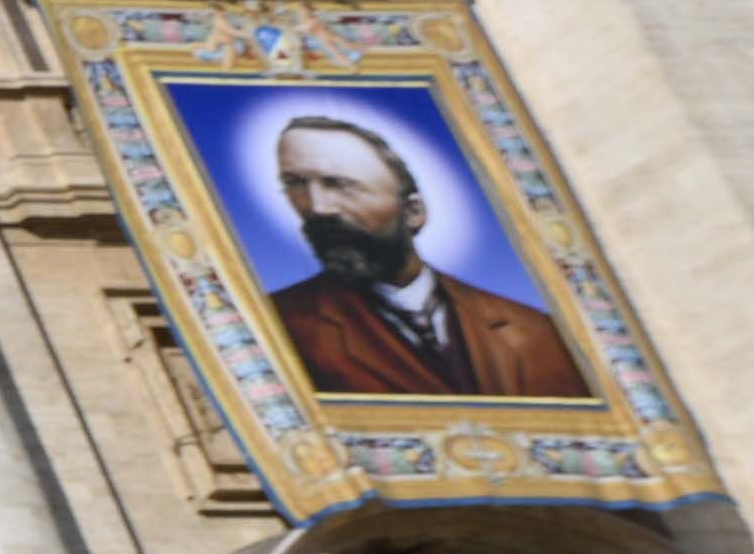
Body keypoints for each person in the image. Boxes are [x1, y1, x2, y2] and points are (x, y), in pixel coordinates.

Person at [251, 113, 587, 397]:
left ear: (413, 212)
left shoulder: (537, 333)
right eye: (295, 184)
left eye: (339, 184)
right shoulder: (274, 326)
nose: (317, 208)